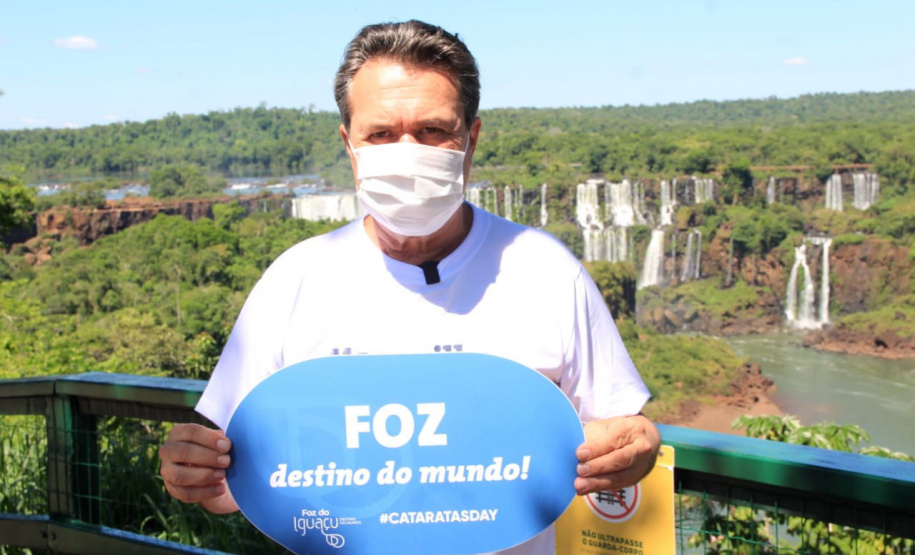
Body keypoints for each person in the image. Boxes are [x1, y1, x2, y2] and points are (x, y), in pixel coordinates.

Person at [159, 20, 660, 554]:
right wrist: (197, 472)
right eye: (380, 133)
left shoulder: (545, 269)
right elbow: (239, 474)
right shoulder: (295, 280)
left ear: (470, 139)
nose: (407, 150)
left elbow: (621, 431)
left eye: (431, 131)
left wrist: (640, 448)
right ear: (348, 143)